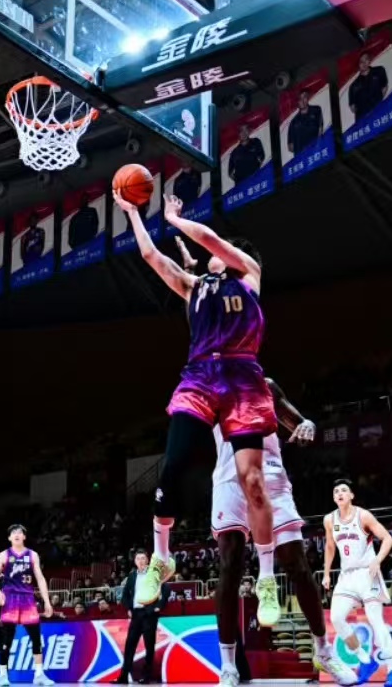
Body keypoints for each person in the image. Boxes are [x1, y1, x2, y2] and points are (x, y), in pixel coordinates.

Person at [114, 190, 281, 628]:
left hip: (243, 378)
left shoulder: (249, 275)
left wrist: (173, 218)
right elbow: (150, 255)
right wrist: (134, 213)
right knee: (173, 465)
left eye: (224, 249)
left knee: (253, 482)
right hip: (200, 378)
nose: (215, 251)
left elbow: (209, 238)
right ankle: (162, 559)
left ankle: (266, 579)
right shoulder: (193, 287)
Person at [208, 378, 358, 687]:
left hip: (271, 476)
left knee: (297, 566)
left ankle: (324, 651)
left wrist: (308, 425)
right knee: (230, 567)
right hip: (229, 480)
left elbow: (298, 422)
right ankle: (228, 666)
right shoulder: (209, 387)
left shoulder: (266, 386)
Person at [322, 480, 392, 687]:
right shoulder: (329, 520)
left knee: (376, 620)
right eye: (336, 491)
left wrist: (377, 560)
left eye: (343, 490)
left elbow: (387, 539)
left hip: (368, 573)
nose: (339, 493)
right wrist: (327, 574)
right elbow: (330, 547)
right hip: (347, 575)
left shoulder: (363, 515)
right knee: (337, 618)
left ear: (351, 496)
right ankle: (365, 660)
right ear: (334, 498)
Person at [0, 525, 54, 686]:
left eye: (20, 532)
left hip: (28, 599)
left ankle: (39, 675)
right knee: (7, 639)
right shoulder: (4, 555)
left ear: (24, 537)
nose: (17, 535)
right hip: (10, 599)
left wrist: (46, 601)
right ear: (9, 538)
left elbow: (40, 578)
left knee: (36, 638)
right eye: (13, 533)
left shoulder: (32, 555)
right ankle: (3, 675)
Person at [115, 551, 170, 685]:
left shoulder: (154, 574)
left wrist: (158, 607)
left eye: (143, 558)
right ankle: (123, 676)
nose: (140, 560)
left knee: (149, 645)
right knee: (129, 645)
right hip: (136, 614)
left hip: (149, 614)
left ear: (147, 560)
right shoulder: (132, 576)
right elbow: (125, 595)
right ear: (135, 561)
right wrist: (129, 608)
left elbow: (166, 589)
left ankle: (147, 676)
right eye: (138, 558)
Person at [347, 51, 389, 124]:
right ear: (358, 64)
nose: (364, 63)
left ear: (369, 60)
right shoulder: (353, 86)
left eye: (366, 59)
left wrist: (378, 102)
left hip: (380, 114)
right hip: (363, 121)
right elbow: (353, 107)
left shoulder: (379, 71)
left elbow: (384, 87)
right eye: (361, 62)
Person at [286, 90, 323, 156]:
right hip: (302, 159)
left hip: (317, 153)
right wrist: (301, 151)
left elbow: (320, 129)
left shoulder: (316, 110)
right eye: (300, 98)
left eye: (304, 97)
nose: (302, 100)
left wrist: (317, 146)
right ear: (297, 102)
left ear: (308, 98)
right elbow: (290, 146)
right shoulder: (293, 122)